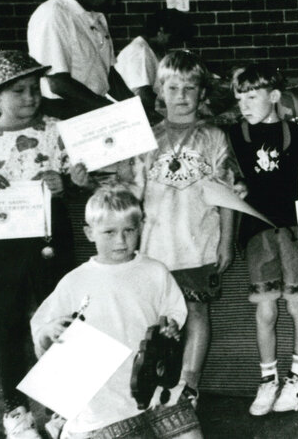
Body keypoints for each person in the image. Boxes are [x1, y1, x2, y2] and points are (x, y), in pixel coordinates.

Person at [30, 183, 199, 439]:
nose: (120, 240)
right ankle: (67, 425)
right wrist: (48, 332)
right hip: (103, 402)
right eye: (109, 232)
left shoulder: (155, 271)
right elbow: (41, 337)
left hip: (156, 387)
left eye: (129, 230)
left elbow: (173, 313)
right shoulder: (74, 281)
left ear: (140, 228)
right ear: (89, 233)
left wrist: (171, 327)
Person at [0, 50, 90, 439]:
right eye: (18, 91)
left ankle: (62, 409)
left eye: (34, 88)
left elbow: (80, 181)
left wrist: (69, 183)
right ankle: (16, 410)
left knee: (61, 317)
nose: (30, 97)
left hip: (51, 237)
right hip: (1, 244)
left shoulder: (55, 130)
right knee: (6, 323)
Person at [124, 50, 240, 407]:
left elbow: (228, 194)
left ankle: (189, 385)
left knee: (197, 311)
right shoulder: (144, 139)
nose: (182, 95)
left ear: (202, 93)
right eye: (173, 88)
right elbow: (132, 195)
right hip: (155, 246)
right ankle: (155, 382)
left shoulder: (215, 137)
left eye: (190, 88)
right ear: (160, 91)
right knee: (158, 318)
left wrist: (227, 240)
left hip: (198, 243)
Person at [225, 64, 298, 416]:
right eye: (240, 99)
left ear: (275, 96)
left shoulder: (297, 134)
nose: (244, 105)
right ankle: (268, 379)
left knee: (297, 305)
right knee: (265, 310)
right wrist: (236, 185)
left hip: (293, 233)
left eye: (252, 97)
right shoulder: (234, 136)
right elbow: (230, 176)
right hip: (257, 234)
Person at [27, 0, 135, 119]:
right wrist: (111, 111)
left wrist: (136, 108)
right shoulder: (53, 14)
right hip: (63, 111)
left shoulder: (96, 16)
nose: (113, 3)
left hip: (93, 107)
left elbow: (109, 75)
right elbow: (57, 83)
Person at [116, 8, 195, 115]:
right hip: (133, 115)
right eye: (172, 38)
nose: (173, 43)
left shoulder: (147, 49)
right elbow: (141, 96)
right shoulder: (140, 52)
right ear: (161, 30)